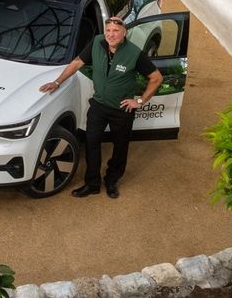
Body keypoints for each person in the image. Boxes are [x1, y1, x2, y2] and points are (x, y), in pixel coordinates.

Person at [38, 16, 162, 199]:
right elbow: (77, 63)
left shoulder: (134, 54)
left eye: (116, 31)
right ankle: (92, 183)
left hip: (122, 110)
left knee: (120, 148)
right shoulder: (97, 42)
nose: (111, 35)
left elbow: (157, 78)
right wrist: (57, 82)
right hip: (98, 106)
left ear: (124, 33)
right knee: (91, 144)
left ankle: (112, 181)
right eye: (108, 30)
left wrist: (140, 101)